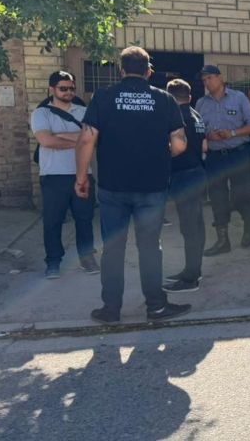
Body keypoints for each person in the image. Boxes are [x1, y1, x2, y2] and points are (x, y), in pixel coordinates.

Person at [75, 46, 190, 324]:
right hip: (152, 186)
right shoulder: (164, 100)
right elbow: (179, 144)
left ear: (121, 70)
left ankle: (111, 309)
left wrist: (81, 178)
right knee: (150, 247)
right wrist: (163, 154)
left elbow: (87, 139)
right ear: (149, 71)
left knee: (113, 248)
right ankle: (156, 307)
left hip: (113, 187)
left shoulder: (103, 97)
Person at [31, 71, 99, 279]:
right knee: (53, 221)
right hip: (53, 176)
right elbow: (46, 141)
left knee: (85, 220)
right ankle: (53, 261)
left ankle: (87, 258)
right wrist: (80, 139)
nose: (68, 92)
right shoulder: (41, 113)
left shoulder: (84, 111)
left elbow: (94, 140)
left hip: (83, 174)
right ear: (52, 89)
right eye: (63, 88)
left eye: (71, 88)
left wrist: (60, 135)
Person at [196, 65, 250, 255]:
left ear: (220, 78)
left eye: (209, 78)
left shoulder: (238, 98)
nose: (206, 83)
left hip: (237, 154)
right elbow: (198, 131)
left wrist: (231, 133)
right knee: (218, 198)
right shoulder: (201, 103)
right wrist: (208, 136)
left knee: (242, 196)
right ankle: (223, 241)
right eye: (204, 80)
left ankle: (248, 226)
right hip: (215, 158)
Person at [162, 79, 207, 293]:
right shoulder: (196, 115)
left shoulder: (176, 116)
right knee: (195, 226)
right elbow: (205, 144)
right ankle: (193, 270)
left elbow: (174, 147)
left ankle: (191, 278)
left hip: (184, 176)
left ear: (170, 97)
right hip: (197, 173)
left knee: (190, 229)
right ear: (189, 96)